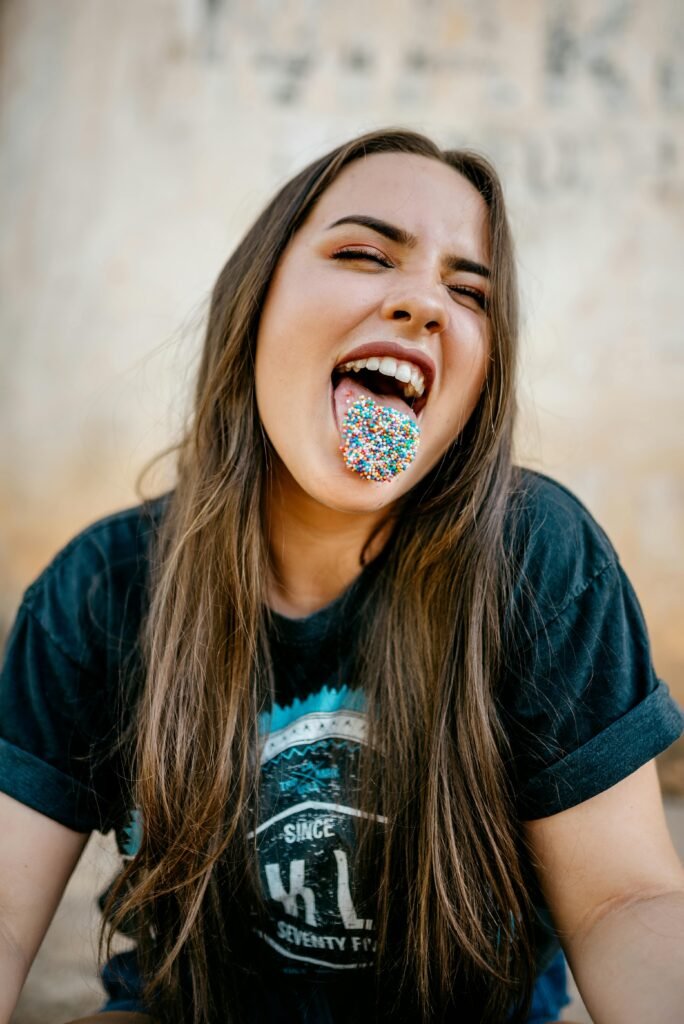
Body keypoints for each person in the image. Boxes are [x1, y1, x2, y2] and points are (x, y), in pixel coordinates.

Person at [0, 128, 682, 1024]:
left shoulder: (540, 560)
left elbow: (626, 903)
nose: (423, 302)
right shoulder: (99, 590)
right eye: (366, 253)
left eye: (467, 290)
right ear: (257, 303)